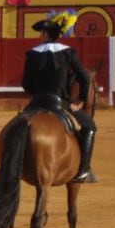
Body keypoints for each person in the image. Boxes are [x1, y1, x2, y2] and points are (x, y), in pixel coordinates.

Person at [22, 11, 97, 182]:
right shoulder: (69, 52)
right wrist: (81, 99)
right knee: (90, 127)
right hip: (60, 104)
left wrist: (38, 95)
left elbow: (26, 84)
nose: (40, 36)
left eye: (41, 32)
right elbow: (85, 77)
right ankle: (83, 171)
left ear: (46, 34)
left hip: (37, 103)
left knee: (18, 126)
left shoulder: (32, 53)